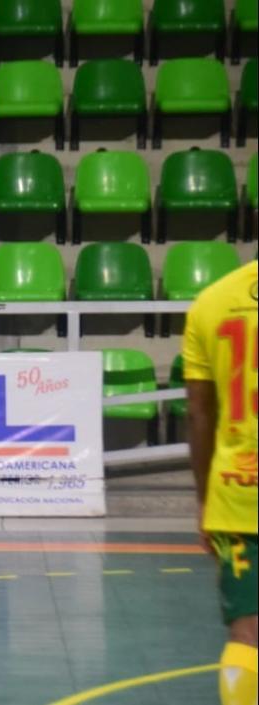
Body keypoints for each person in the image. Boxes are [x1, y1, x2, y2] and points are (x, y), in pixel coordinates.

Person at [183, 259, 257, 705]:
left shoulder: (211, 301)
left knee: (247, 634)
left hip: (238, 492)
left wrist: (205, 500)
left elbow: (198, 412)